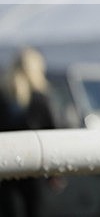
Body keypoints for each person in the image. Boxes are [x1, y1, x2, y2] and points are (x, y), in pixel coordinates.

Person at [0, 48, 58, 217]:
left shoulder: (3, 97)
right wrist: (55, 173)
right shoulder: (41, 98)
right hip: (35, 166)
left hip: (7, 164)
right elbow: (52, 131)